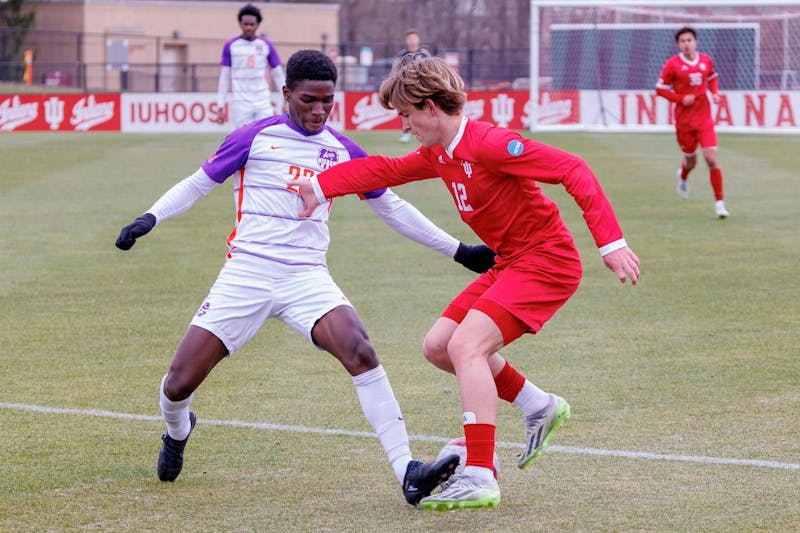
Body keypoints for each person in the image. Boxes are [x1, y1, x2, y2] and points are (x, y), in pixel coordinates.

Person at [115, 50, 498, 506]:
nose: (318, 111)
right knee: (179, 384)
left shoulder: (341, 149)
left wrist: (458, 250)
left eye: (327, 102)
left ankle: (407, 472)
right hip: (247, 275)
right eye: (308, 100)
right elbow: (198, 183)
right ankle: (177, 432)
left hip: (307, 278)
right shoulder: (254, 138)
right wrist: (149, 217)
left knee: (361, 351)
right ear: (286, 94)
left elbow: (390, 206)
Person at [290, 56, 641, 511]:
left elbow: (573, 169)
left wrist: (610, 243)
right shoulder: (440, 153)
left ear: (431, 107)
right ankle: (538, 405)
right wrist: (320, 186)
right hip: (512, 261)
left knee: (466, 347)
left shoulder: (490, 144)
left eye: (407, 114)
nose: (405, 125)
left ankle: (479, 473)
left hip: (546, 261)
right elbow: (386, 171)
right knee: (439, 345)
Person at [656, 26, 729, 218]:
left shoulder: (706, 60)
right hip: (684, 122)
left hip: (704, 119)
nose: (686, 44)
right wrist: (681, 99)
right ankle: (683, 176)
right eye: (682, 41)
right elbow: (660, 89)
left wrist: (714, 94)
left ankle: (720, 204)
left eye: (689, 40)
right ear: (678, 45)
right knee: (691, 162)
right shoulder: (672, 65)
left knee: (711, 159)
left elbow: (712, 78)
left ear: (695, 42)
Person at [213, 4, 286, 128]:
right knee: (241, 139)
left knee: (265, 135)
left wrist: (286, 99)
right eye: (245, 24)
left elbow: (278, 74)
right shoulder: (231, 45)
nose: (248, 27)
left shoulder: (266, 44)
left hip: (262, 100)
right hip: (240, 102)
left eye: (251, 24)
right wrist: (220, 105)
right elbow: (224, 77)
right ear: (240, 24)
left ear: (257, 25)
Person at [396, 30, 431, 143]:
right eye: (410, 38)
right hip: (407, 86)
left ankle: (426, 131)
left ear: (418, 40)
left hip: (422, 87)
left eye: (414, 38)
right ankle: (406, 133)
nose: (412, 41)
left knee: (425, 108)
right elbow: (397, 70)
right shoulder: (402, 55)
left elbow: (431, 69)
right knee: (405, 109)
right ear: (407, 41)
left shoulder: (424, 54)